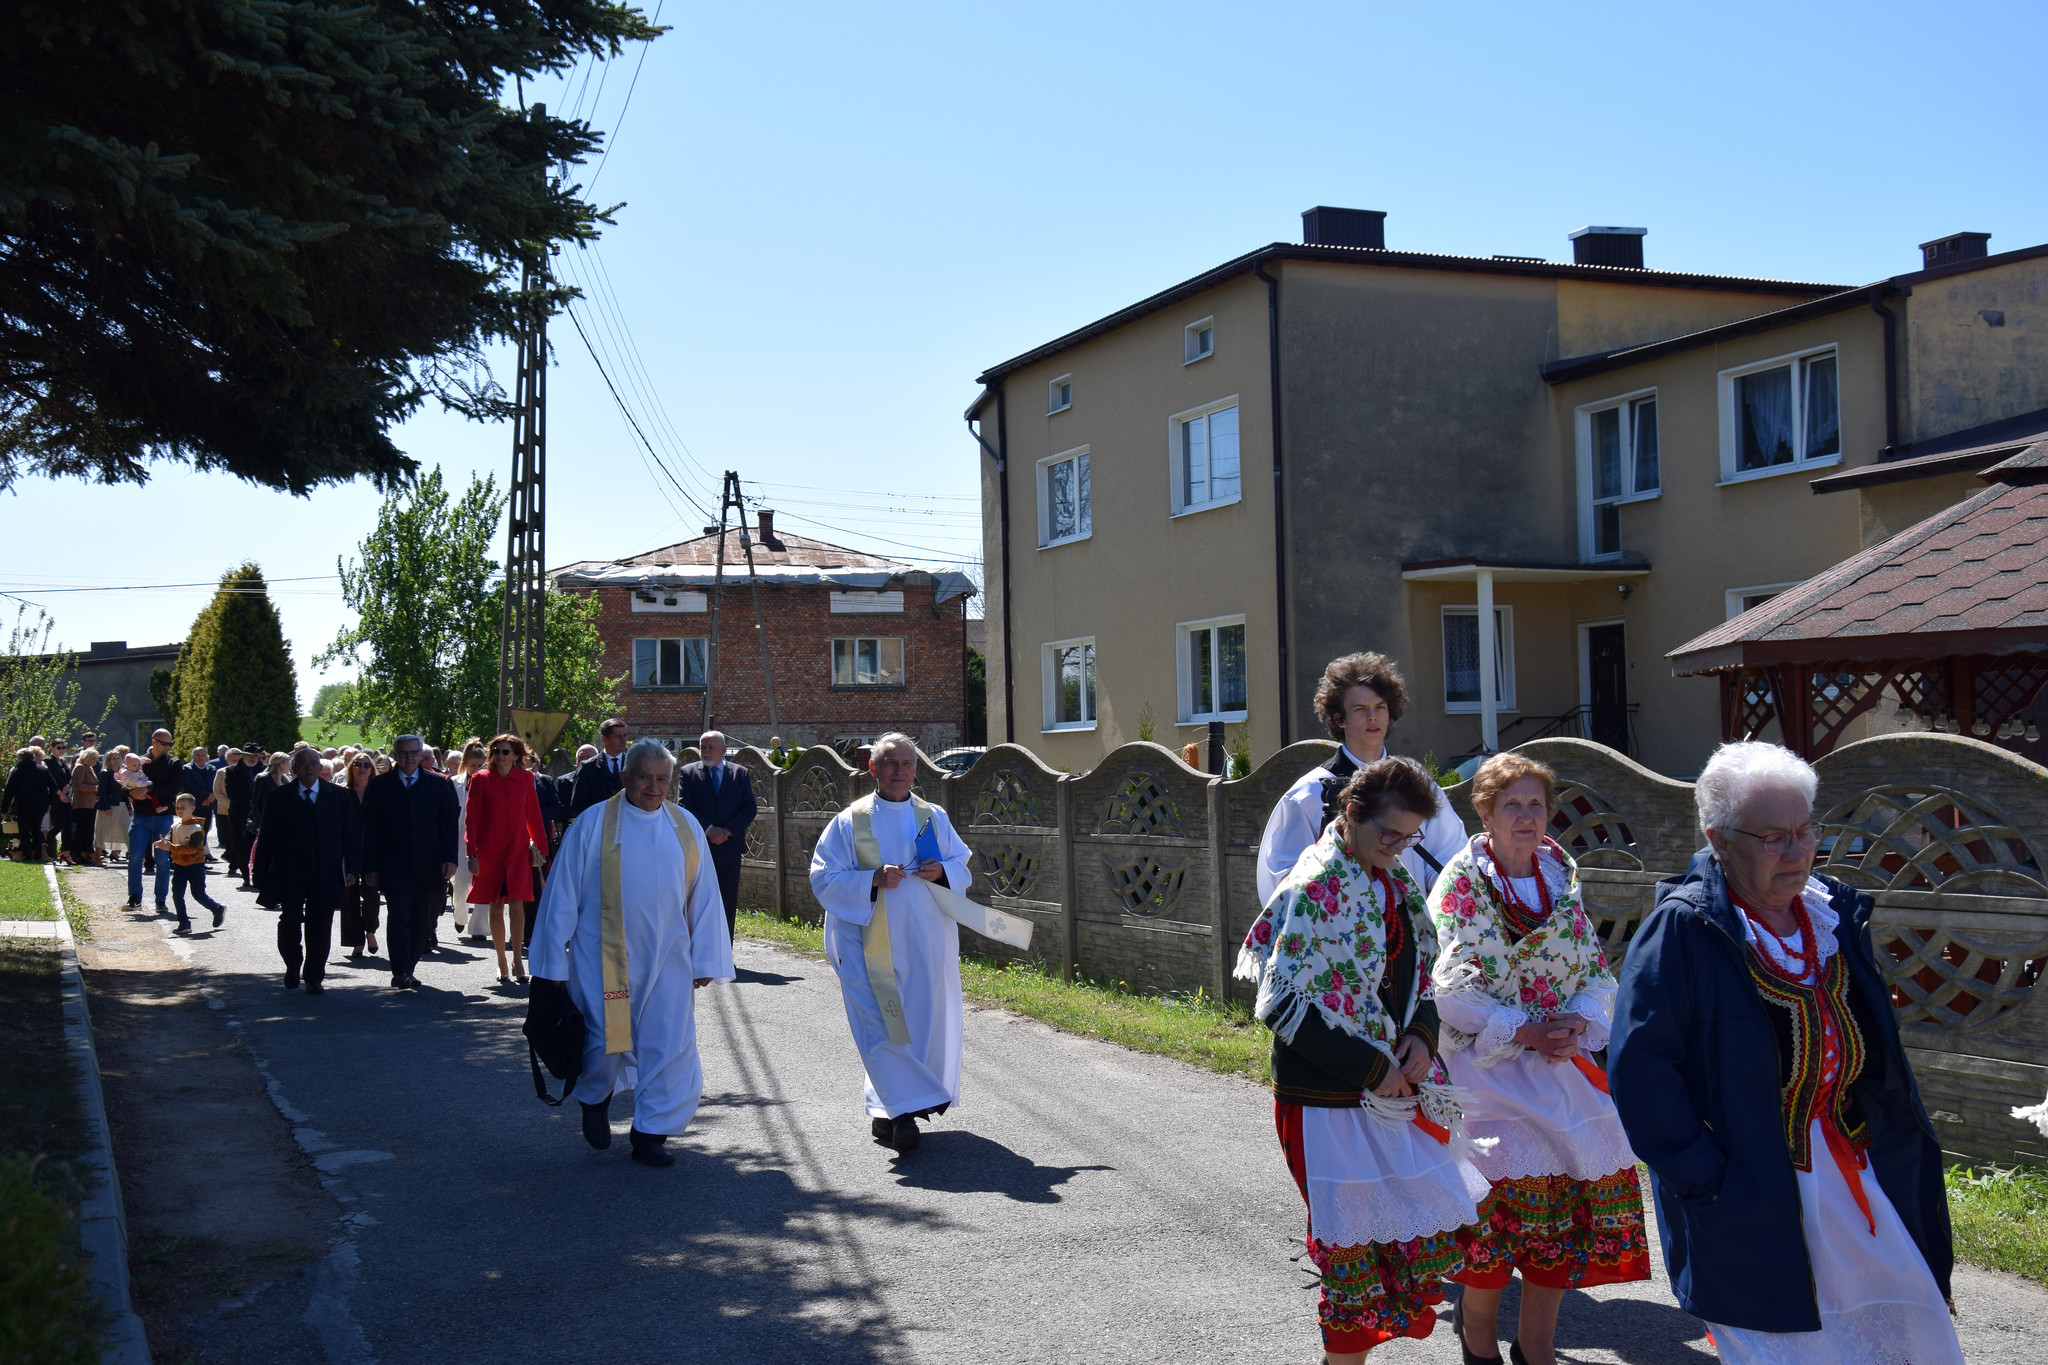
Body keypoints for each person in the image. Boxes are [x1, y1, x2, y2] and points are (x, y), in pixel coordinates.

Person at [1609, 741, 1960, 1365]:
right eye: (1773, 836)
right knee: (1784, 1345)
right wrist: (1707, 1179)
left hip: (1851, 1170)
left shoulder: (1833, 918)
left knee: (1906, 1324)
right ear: (1719, 839)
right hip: (1747, 1188)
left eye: (1805, 831)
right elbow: (1640, 1071)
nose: (1797, 851)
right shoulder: (1684, 931)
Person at [1237, 755, 1494, 1364]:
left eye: (1408, 838)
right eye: (1389, 833)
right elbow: (1280, 1002)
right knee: (1352, 1265)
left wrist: (1422, 1039)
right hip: (1326, 1100)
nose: (1398, 847)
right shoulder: (1314, 886)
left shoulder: (1394, 880)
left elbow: (1423, 978)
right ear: (1351, 814)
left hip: (1390, 1094)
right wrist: (1373, 1069)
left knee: (1400, 1248)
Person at [1428, 754, 1650, 1365]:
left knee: (1557, 1229)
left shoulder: (1560, 878)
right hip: (1487, 1071)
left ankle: (1537, 1350)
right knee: (1491, 1237)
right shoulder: (1462, 883)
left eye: (1536, 805)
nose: (1526, 817)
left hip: (1556, 1069)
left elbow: (1594, 973)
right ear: (1485, 813)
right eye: (1512, 806)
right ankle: (1478, 1344)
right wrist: (1524, 1029)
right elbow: (1447, 988)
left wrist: (1577, 1021)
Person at [529, 738, 732, 1168]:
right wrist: (550, 966)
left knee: (669, 1046)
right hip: (604, 961)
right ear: (625, 777)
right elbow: (561, 895)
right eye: (645, 777)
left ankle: (650, 1133)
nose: (654, 787)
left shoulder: (685, 827)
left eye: (663, 779)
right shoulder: (592, 824)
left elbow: (705, 896)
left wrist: (706, 958)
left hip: (668, 962)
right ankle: (595, 1100)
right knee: (605, 1043)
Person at [807, 733, 975, 1156]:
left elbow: (962, 867)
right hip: (866, 945)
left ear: (916, 769)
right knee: (882, 1028)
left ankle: (886, 1107)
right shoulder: (850, 821)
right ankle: (903, 1115)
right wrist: (872, 879)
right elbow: (822, 877)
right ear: (873, 769)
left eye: (907, 763)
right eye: (891, 763)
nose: (900, 771)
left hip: (924, 941)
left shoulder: (931, 816)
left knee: (916, 1022)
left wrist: (943, 872)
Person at [1258, 653, 1466, 908]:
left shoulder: (1420, 788)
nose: (1372, 716)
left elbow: (1449, 859)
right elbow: (1282, 882)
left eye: (1380, 707)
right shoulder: (1309, 795)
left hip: (1410, 930)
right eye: (1360, 709)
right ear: (1339, 719)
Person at [254, 748, 361, 994]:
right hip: (289, 871)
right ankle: (293, 964)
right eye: (303, 764)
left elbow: (352, 837)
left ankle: (314, 975)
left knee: (320, 924)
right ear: (293, 768)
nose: (309, 768)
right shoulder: (280, 796)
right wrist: (260, 876)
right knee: (290, 920)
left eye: (314, 763)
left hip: (325, 871)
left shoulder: (338, 796)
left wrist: (353, 869)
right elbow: (267, 838)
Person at [360, 735, 460, 990]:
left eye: (413, 753)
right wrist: (368, 866)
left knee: (420, 918)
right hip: (392, 863)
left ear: (420, 755)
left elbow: (449, 825)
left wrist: (450, 858)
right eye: (403, 753)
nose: (409, 758)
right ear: (395, 755)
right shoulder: (380, 785)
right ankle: (400, 969)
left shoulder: (439, 783)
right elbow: (369, 829)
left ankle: (410, 965)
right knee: (399, 914)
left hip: (428, 863)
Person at [464, 733, 548, 986]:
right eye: (497, 751)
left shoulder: (525, 779)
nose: (500, 756)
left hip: (518, 851)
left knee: (518, 904)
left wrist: (541, 849)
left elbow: (533, 816)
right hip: (490, 852)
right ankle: (501, 961)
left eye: (505, 752)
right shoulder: (480, 779)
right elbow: (472, 819)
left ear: (516, 756)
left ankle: (518, 960)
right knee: (496, 905)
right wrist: (472, 853)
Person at [675, 730, 757, 940]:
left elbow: (749, 808)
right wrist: (709, 830)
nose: (706, 751)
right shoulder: (688, 773)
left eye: (711, 747)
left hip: (730, 849)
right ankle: (699, 951)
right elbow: (684, 807)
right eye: (703, 747)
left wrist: (728, 831)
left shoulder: (740, 774)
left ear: (723, 749)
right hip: (701, 848)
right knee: (698, 901)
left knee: (727, 901)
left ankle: (725, 955)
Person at [128, 729, 183, 910]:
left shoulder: (173, 763)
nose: (167, 747)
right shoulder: (139, 761)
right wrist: (132, 791)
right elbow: (124, 782)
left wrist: (148, 788)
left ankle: (160, 900)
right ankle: (134, 897)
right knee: (135, 856)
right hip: (141, 816)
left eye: (170, 744)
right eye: (164, 743)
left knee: (162, 860)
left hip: (162, 817)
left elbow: (174, 787)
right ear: (154, 742)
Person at [156, 793, 226, 933]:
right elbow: (170, 840)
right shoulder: (175, 825)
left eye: (183, 807)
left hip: (195, 866)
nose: (179, 810)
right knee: (177, 894)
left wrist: (170, 847)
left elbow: (191, 849)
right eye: (177, 807)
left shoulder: (197, 828)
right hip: (179, 866)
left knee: (198, 894)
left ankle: (217, 908)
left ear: (192, 808)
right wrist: (164, 843)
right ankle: (184, 923)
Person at [337, 753, 383, 964]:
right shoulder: (342, 794)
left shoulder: (378, 793)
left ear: (372, 769)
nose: (362, 768)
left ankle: (370, 931)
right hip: (348, 851)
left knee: (372, 896)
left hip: (373, 851)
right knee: (350, 897)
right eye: (358, 764)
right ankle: (356, 940)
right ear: (351, 768)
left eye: (367, 765)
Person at [450, 739, 486, 936]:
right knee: (461, 882)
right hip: (459, 841)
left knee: (483, 884)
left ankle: (479, 928)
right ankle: (460, 915)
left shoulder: (491, 784)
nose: (477, 769)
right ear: (465, 764)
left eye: (481, 765)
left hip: (484, 842)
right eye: (473, 765)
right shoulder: (454, 785)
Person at [567, 718, 630, 818]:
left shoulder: (634, 765)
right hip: (598, 825)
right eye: (618, 737)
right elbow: (577, 805)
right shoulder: (588, 767)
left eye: (625, 736)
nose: (623, 740)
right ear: (604, 739)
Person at [246, 751, 290, 891]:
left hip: (282, 826)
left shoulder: (285, 780)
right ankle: (267, 887)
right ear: (281, 764)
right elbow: (256, 803)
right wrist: (259, 824)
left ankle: (277, 888)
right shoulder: (263, 779)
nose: (289, 765)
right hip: (266, 824)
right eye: (288, 762)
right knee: (267, 858)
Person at [3, 748, 58, 862]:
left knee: (24, 830)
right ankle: (38, 855)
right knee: (36, 829)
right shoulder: (42, 769)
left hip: (24, 805)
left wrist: (4, 810)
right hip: (40, 805)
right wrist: (50, 803)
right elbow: (54, 787)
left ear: (21, 758)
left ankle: (27, 855)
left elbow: (9, 791)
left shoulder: (17, 770)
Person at [180, 746, 218, 861]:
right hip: (194, 806)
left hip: (208, 806)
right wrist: (206, 796)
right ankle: (192, 858)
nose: (201, 757)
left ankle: (200, 858)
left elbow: (216, 785)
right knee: (193, 834)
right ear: (193, 756)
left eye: (203, 755)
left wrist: (212, 796)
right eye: (198, 755)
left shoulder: (212, 769)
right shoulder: (187, 769)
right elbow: (189, 786)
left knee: (204, 833)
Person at [67, 749, 101, 867]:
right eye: (93, 758)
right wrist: (95, 788)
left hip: (90, 803)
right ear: (87, 757)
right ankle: (80, 853)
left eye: (96, 759)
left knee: (88, 830)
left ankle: (85, 853)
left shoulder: (89, 768)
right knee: (83, 830)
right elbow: (78, 785)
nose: (95, 761)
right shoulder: (80, 767)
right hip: (82, 804)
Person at [95, 747, 129, 864]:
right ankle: (97, 856)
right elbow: (102, 791)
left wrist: (129, 807)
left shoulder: (122, 773)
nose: (116, 761)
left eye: (118, 758)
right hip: (108, 805)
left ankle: (135, 855)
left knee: (126, 829)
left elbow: (125, 792)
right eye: (113, 759)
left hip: (122, 804)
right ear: (108, 761)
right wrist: (107, 807)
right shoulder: (105, 773)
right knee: (102, 831)